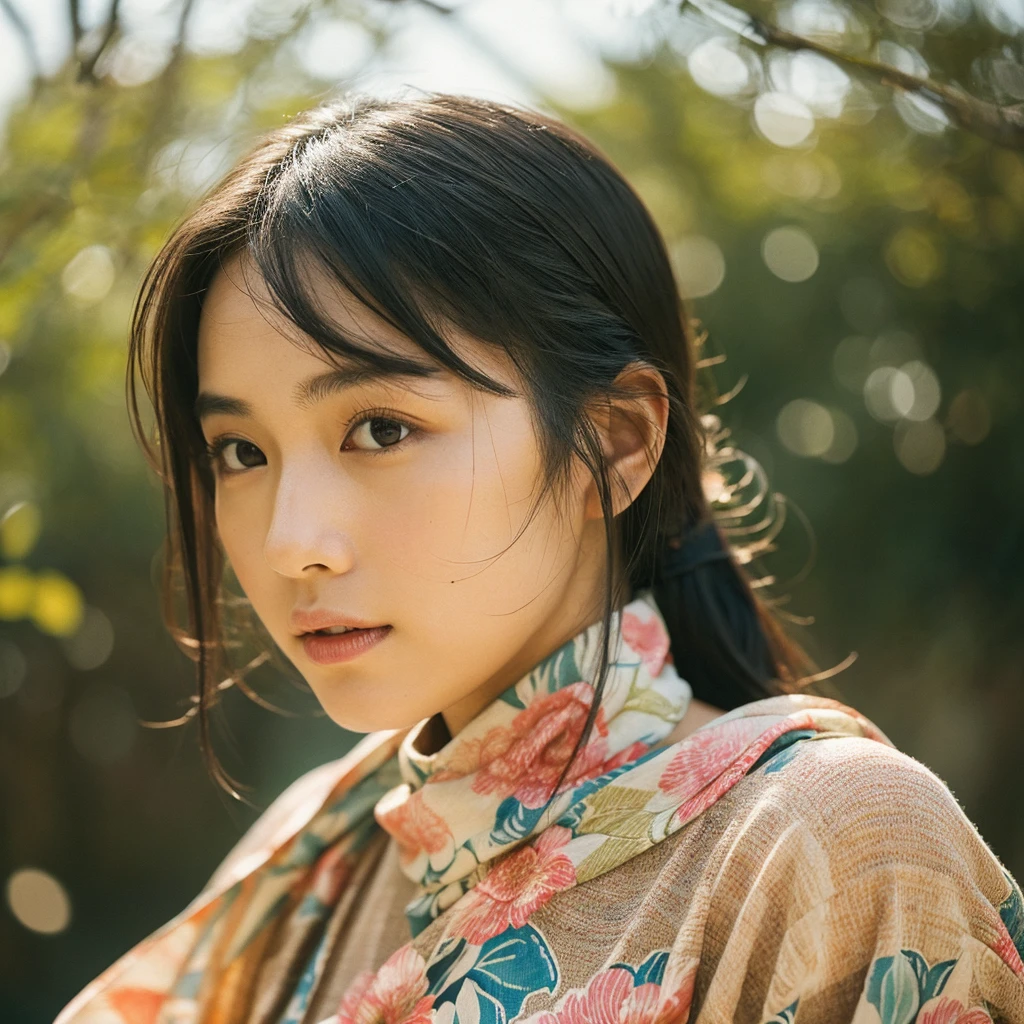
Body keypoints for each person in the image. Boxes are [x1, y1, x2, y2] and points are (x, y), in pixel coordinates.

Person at [55, 93, 1024, 1024]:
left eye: (381, 427)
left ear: (614, 440)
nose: (290, 543)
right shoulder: (319, 849)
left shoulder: (835, 845)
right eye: (241, 451)